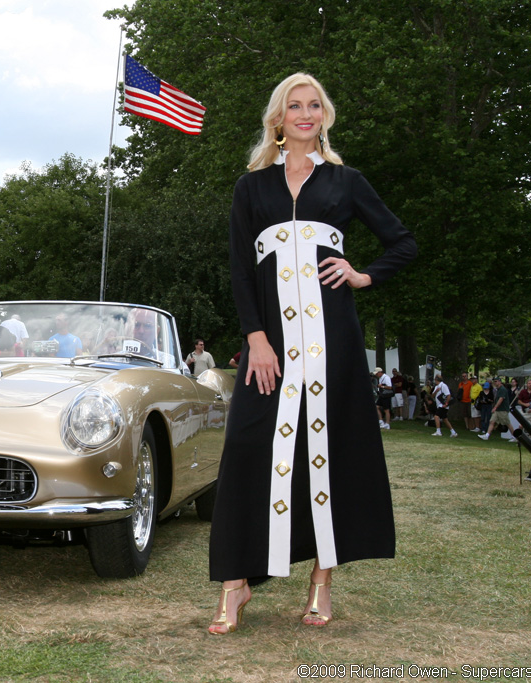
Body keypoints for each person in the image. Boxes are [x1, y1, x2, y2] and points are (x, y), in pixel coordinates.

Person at [208, 73, 416, 635]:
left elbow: (403, 241)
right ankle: (236, 583)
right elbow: (239, 270)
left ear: (324, 116)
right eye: (294, 106)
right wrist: (255, 337)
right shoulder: (251, 189)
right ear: (278, 119)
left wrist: (362, 274)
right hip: (270, 345)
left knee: (333, 450)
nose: (305, 114)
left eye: (314, 106)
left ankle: (322, 583)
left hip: (335, 343)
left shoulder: (346, 182)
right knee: (250, 448)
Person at [479, 377, 517, 442]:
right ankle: (487, 435)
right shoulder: (498, 389)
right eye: (494, 381)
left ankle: (515, 436)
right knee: (492, 421)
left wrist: (495, 407)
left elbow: (501, 399)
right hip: (498, 410)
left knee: (507, 423)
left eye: (496, 381)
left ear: (500, 382)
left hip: (502, 409)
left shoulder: (502, 389)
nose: (495, 383)